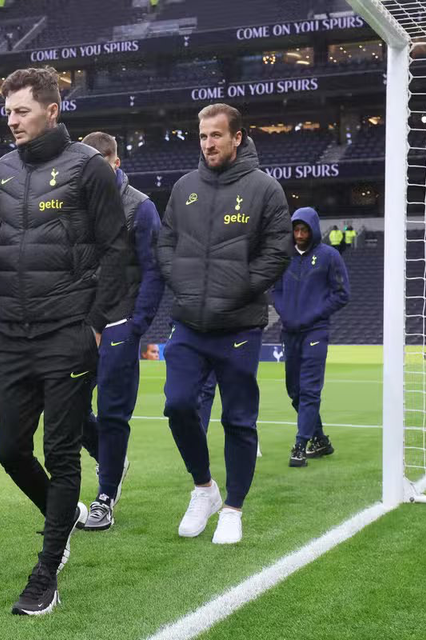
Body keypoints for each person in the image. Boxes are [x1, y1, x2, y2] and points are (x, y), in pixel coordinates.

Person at [0, 66, 128, 615]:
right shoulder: (2, 169)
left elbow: (116, 250)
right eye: (7, 111)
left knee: (60, 454)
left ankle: (46, 570)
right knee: (8, 449)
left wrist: (94, 323)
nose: (10, 121)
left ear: (52, 111)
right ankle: (62, 520)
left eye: (20, 111)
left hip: (68, 331)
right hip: (12, 332)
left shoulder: (89, 168)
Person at [156, 103, 290, 545]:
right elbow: (167, 242)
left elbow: (277, 249)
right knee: (177, 405)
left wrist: (240, 288)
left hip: (239, 326)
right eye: (202, 136)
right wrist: (182, 283)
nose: (208, 143)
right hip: (189, 323)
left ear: (237, 137)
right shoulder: (184, 187)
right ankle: (204, 489)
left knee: (238, 419)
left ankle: (233, 507)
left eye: (216, 135)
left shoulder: (265, 189)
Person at [78, 131, 164, 531]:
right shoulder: (77, 204)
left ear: (114, 162)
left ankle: (105, 496)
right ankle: (111, 457)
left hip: (119, 320)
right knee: (67, 406)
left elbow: (153, 271)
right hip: (80, 318)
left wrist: (135, 326)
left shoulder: (140, 208)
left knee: (113, 413)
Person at [272, 207, 350, 467]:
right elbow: (277, 290)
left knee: (309, 390)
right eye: (296, 229)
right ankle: (320, 440)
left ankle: (300, 444)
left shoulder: (330, 256)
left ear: (313, 229)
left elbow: (342, 294)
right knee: (293, 390)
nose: (300, 234)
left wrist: (314, 314)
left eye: (304, 229)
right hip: (289, 332)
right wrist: (285, 313)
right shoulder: (286, 257)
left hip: (316, 332)